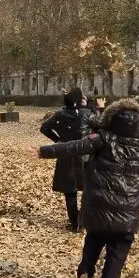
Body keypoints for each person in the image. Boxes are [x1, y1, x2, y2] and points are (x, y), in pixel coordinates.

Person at [38, 99, 139, 278]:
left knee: (92, 244)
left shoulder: (102, 138)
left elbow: (74, 147)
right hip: (127, 216)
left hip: (99, 211)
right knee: (117, 254)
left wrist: (43, 151)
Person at [40, 87, 97, 232]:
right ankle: (82, 221)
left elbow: (44, 128)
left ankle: (74, 223)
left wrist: (59, 140)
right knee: (88, 190)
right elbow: (101, 125)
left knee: (69, 191)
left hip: (65, 154)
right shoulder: (87, 114)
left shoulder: (60, 114)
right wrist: (97, 108)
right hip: (84, 155)